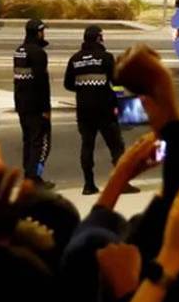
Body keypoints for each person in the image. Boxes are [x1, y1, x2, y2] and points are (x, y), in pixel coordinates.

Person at [64, 25, 129, 195]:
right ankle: (121, 183)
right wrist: (120, 100)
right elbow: (116, 83)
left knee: (87, 146)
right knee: (116, 146)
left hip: (84, 110)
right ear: (99, 38)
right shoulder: (106, 58)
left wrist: (84, 90)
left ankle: (88, 184)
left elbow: (68, 84)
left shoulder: (75, 59)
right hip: (105, 109)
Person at [14, 18, 54, 188]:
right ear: (38, 32)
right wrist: (46, 108)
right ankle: (34, 178)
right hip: (36, 105)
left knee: (28, 140)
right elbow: (41, 83)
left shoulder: (19, 51)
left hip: (22, 103)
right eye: (42, 31)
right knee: (41, 142)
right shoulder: (38, 53)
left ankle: (28, 175)